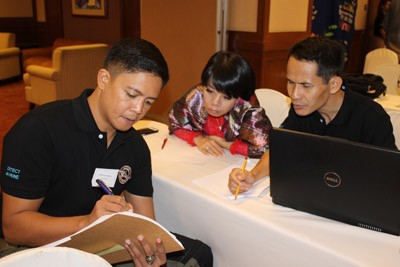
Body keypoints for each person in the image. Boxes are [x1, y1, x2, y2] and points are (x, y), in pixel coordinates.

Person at [0, 38, 212, 266]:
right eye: (131, 94)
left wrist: (149, 253)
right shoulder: (38, 130)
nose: (138, 110)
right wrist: (88, 223)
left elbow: (144, 222)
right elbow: (14, 227)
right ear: (103, 79)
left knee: (198, 255)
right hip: (35, 249)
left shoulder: (134, 146)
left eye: (149, 101)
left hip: (99, 245)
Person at [228, 36, 397, 195]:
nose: (294, 94)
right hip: (314, 196)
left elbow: (390, 177)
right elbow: (280, 149)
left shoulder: (372, 118)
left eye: (306, 86)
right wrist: (252, 175)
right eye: (290, 82)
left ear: (333, 84)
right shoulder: (301, 109)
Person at [168, 51, 272, 158]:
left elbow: (265, 149)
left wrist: (224, 143)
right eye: (209, 91)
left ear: (238, 98)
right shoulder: (196, 96)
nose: (215, 102)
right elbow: (174, 122)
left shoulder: (247, 108)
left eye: (226, 97)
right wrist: (198, 138)